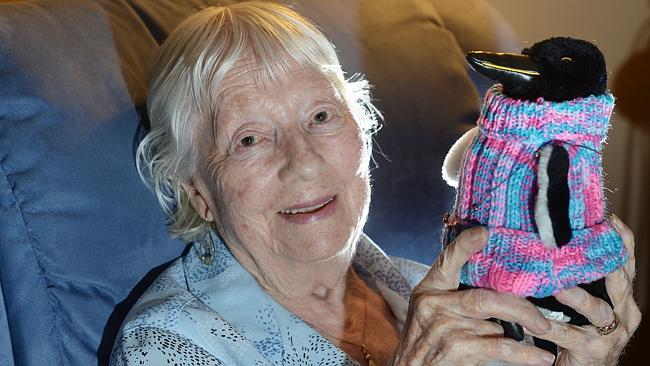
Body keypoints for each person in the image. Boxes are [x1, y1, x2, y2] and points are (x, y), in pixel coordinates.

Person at [110, 2, 641, 365]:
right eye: (249, 139)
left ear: (361, 128)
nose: (305, 163)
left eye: (321, 116)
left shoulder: (437, 291)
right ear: (197, 190)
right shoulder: (168, 343)